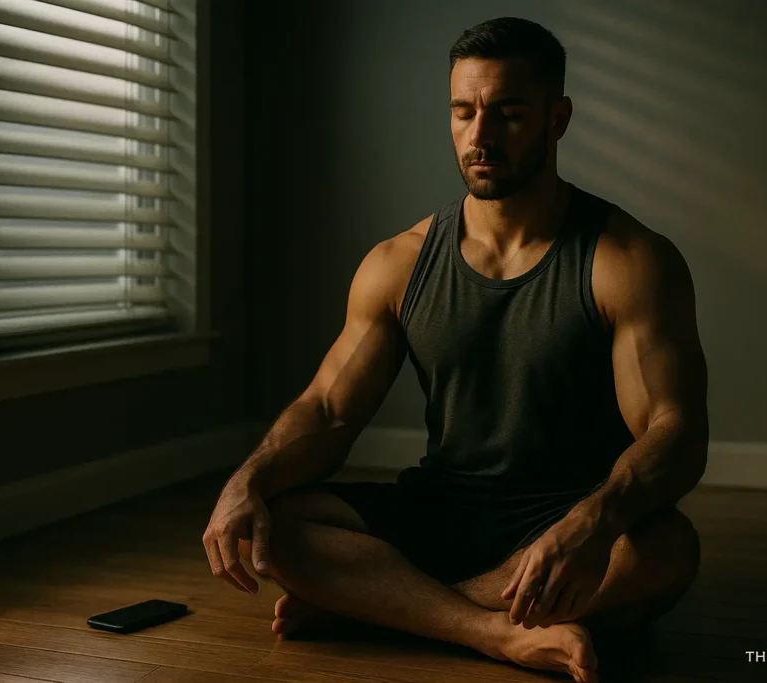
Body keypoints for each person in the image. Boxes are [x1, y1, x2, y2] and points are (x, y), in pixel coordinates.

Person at [203, 16, 708, 683]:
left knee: (666, 549)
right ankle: (495, 630)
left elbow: (675, 430)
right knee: (278, 523)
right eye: (464, 112)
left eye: (508, 114)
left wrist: (591, 521)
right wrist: (246, 481)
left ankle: (386, 607)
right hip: (442, 505)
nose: (481, 136)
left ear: (557, 119)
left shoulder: (628, 260)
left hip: (566, 513)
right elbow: (327, 408)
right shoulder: (399, 263)